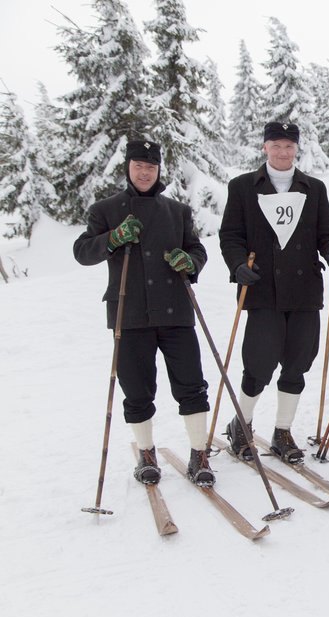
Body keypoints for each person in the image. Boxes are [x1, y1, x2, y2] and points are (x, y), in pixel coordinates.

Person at [73, 139, 214, 486]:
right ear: (128, 167)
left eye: (151, 167)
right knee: (136, 389)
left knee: (192, 385)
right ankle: (146, 454)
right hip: (129, 312)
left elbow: (196, 248)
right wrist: (114, 237)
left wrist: (190, 262)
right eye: (139, 166)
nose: (145, 172)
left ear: (158, 170)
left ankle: (199, 454)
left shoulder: (176, 210)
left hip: (176, 311)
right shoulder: (106, 210)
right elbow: (83, 251)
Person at [219, 121, 329, 464]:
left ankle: (282, 431)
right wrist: (236, 265)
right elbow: (230, 235)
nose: (282, 152)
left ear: (296, 149)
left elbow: (326, 232)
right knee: (258, 365)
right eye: (275, 145)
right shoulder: (243, 187)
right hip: (262, 290)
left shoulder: (313, 188)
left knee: (298, 363)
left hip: (304, 291)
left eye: (288, 146)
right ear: (265, 147)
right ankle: (241, 425)